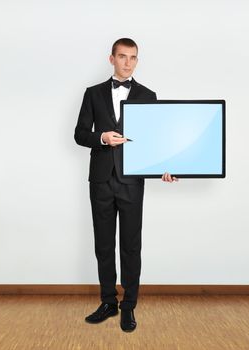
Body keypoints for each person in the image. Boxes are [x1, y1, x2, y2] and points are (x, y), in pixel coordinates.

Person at [74, 38, 178, 332]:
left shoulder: (148, 94)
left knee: (131, 246)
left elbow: (154, 142)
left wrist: (164, 169)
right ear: (112, 59)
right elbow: (80, 134)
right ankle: (108, 301)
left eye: (133, 57)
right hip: (101, 179)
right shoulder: (93, 93)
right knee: (104, 245)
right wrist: (102, 138)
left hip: (132, 179)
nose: (128, 62)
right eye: (122, 56)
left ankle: (128, 306)